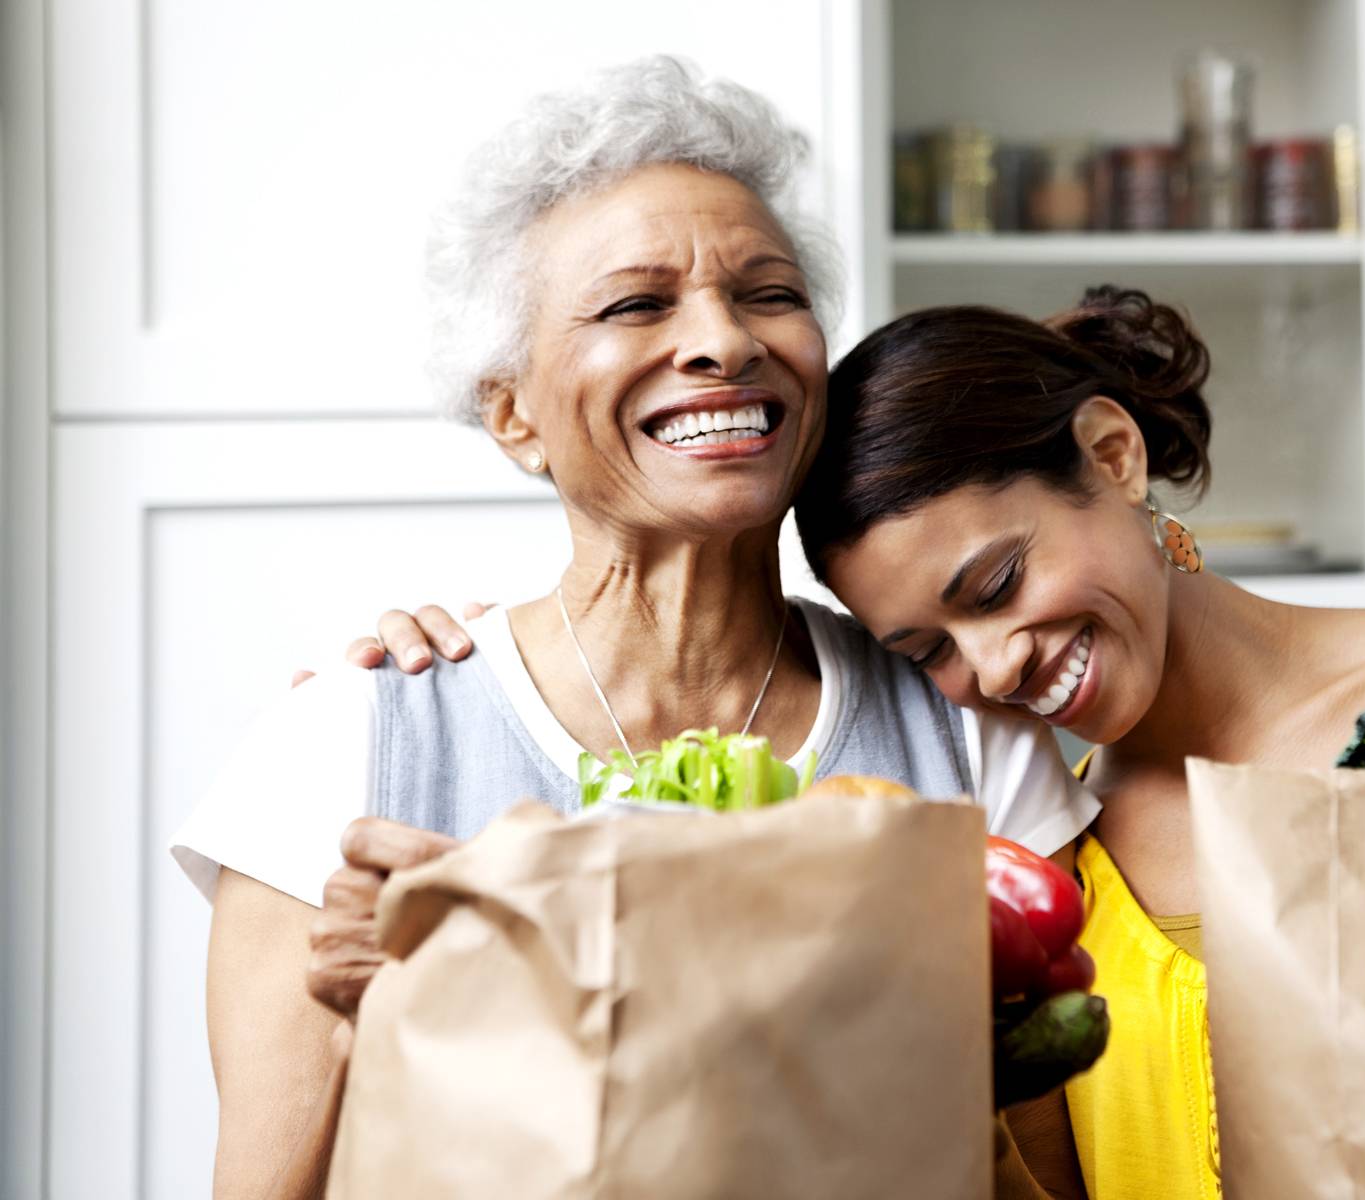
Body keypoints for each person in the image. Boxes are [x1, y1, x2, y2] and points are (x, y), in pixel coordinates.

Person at [368, 285, 1365, 1199]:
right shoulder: (1040, 872)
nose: (991, 668)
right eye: (924, 651)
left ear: (1110, 455)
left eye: (993, 586)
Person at [172, 58, 1094, 1200]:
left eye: (769, 294)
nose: (725, 341)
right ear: (511, 411)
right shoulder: (345, 748)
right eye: (635, 305)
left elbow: (1045, 1181)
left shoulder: (968, 731)